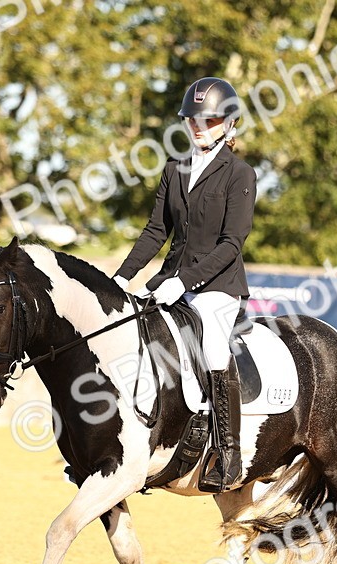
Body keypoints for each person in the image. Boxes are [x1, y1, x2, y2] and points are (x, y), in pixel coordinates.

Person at [113, 76, 256, 492]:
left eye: (209, 120)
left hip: (218, 287)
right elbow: (156, 231)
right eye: (192, 119)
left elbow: (232, 243)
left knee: (212, 347)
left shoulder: (240, 173)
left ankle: (229, 453)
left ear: (228, 124)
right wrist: (122, 276)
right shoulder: (175, 168)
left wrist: (186, 282)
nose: (198, 126)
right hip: (169, 280)